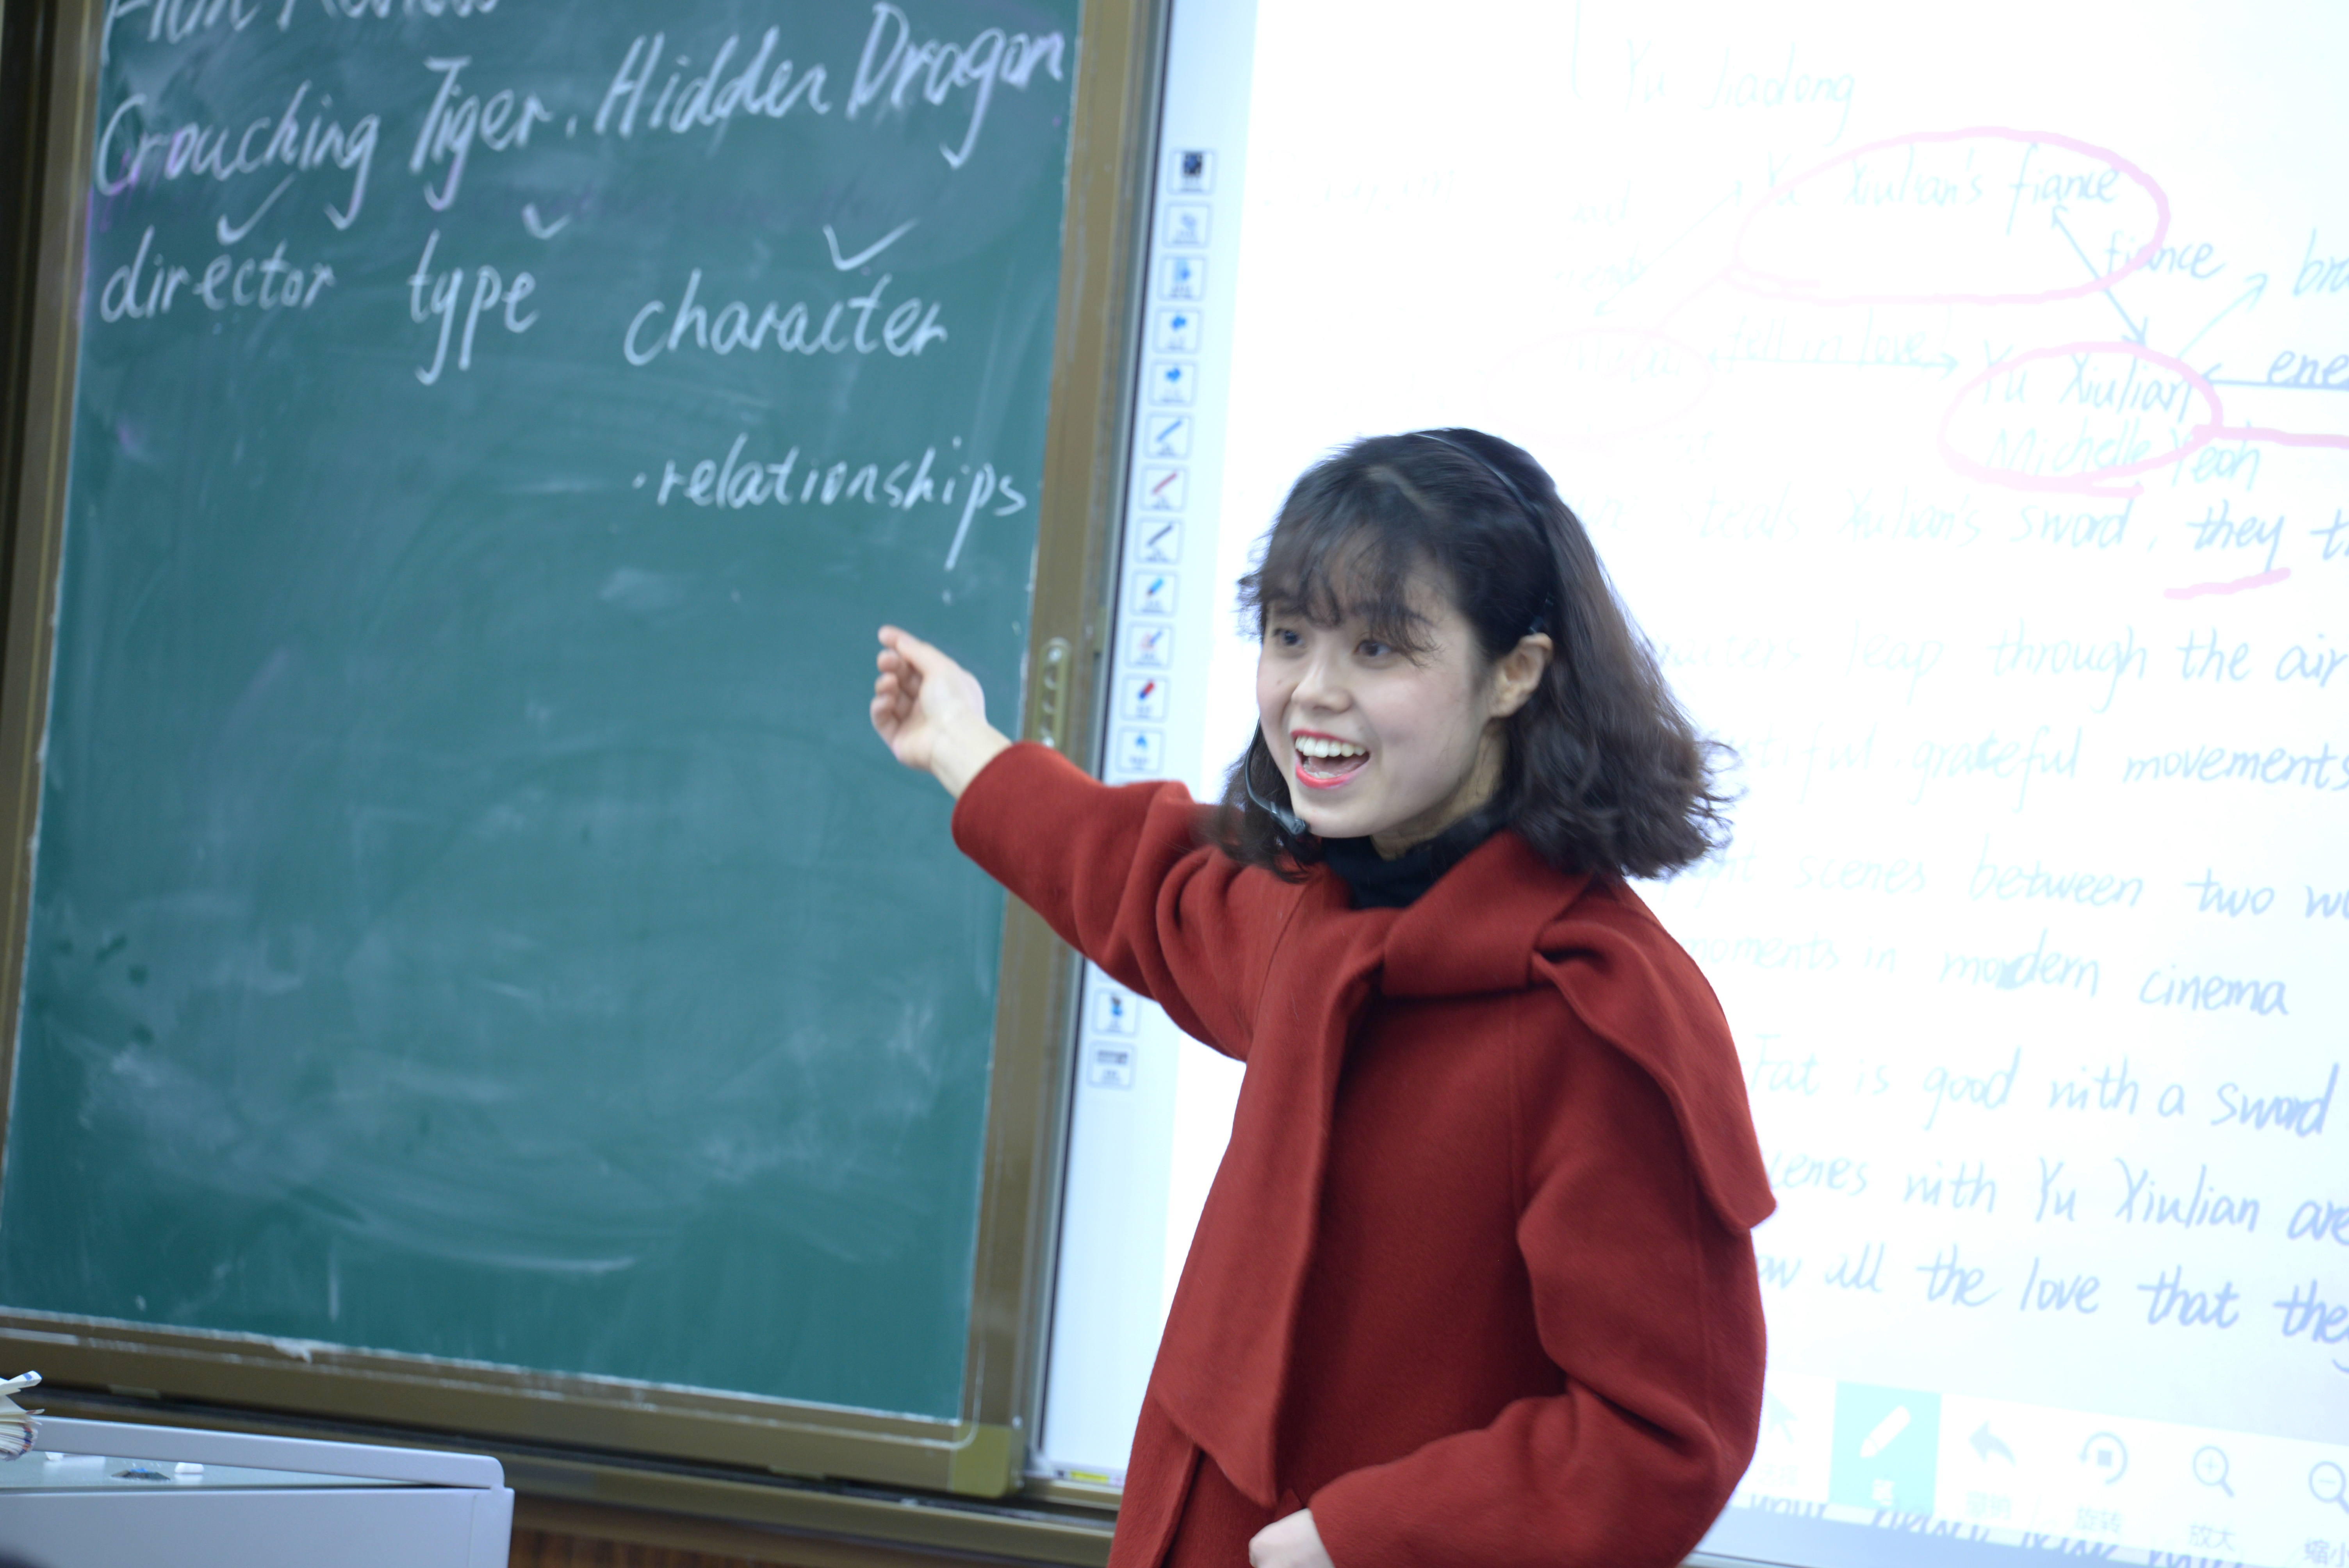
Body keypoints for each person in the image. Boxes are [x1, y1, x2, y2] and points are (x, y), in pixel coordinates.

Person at [870, 429, 1774, 1568]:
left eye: (1379, 647)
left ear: (1516, 673)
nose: (1312, 692)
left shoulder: (1600, 1015)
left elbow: (1662, 1441)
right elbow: (1141, 878)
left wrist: (1356, 1541)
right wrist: (957, 740)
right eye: (1290, 636)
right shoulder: (1321, 910)